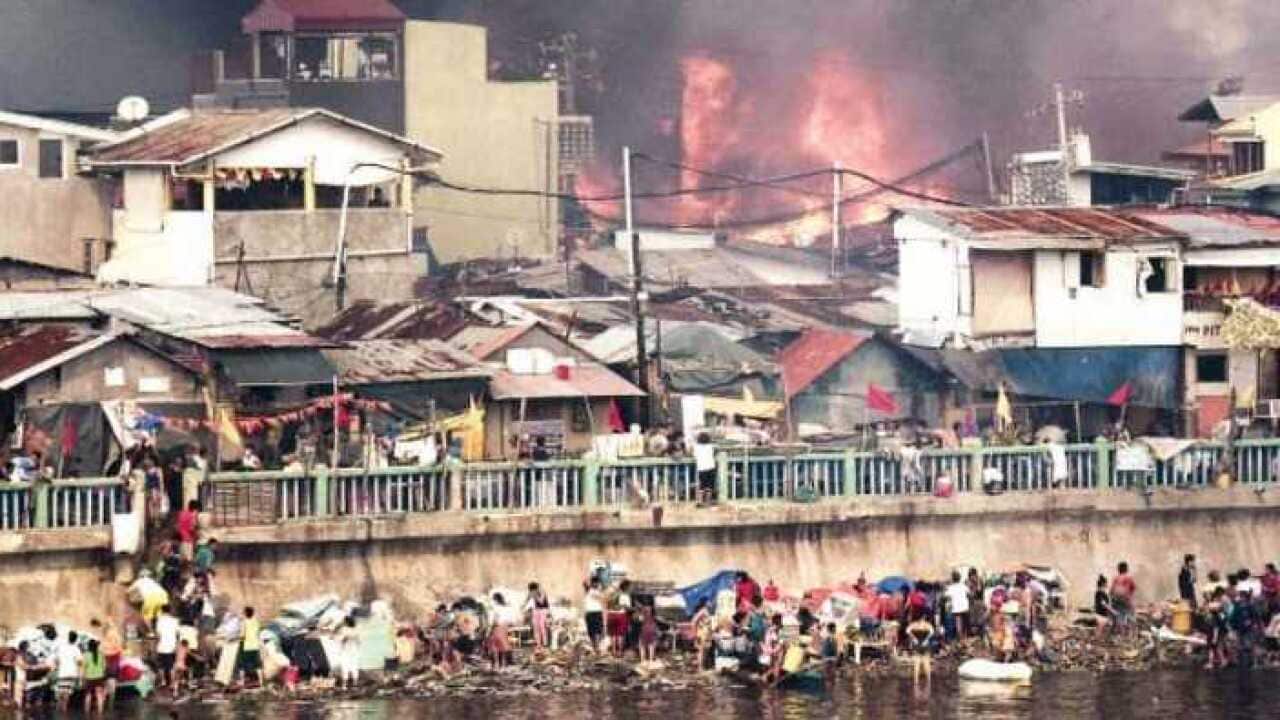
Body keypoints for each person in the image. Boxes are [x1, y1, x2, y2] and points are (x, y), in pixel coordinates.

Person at [55, 630, 83, 711]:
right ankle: (64, 711)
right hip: (72, 673)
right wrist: (80, 677)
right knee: (66, 695)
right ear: (75, 639)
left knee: (60, 694)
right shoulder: (76, 649)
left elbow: (57, 660)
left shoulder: (62, 648)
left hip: (62, 673)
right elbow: (80, 663)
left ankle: (58, 713)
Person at [155, 604, 180, 689]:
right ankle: (172, 684)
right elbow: (177, 634)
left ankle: (163, 681)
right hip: (171, 646)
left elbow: (158, 635)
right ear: (170, 611)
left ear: (162, 611)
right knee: (171, 666)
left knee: (161, 666)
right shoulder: (175, 621)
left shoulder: (159, 621)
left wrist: (156, 645)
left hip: (161, 646)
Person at [239, 607, 264, 688]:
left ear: (246, 613)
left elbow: (242, 635)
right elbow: (258, 633)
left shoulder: (244, 622)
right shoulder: (256, 622)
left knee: (242, 665)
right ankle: (261, 682)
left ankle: (242, 682)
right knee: (258, 665)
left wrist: (236, 638)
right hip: (255, 646)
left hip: (246, 646)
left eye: (243, 613)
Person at [82, 638, 108, 714]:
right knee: (99, 696)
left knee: (88, 695)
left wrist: (83, 678)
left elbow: (84, 667)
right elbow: (104, 667)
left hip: (89, 677)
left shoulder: (86, 655)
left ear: (88, 646)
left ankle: (86, 713)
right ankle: (100, 713)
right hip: (99, 677)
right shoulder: (101, 654)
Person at [906, 615, 934, 684]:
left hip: (917, 643)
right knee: (926, 664)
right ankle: (929, 682)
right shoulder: (927, 624)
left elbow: (907, 631)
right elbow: (932, 631)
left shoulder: (914, 624)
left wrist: (913, 638)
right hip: (925, 644)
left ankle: (916, 682)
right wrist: (927, 639)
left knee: (917, 664)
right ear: (923, 618)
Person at [1110, 562, 1136, 633]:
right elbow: (1133, 588)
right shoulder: (1129, 578)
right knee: (1130, 613)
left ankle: (1116, 628)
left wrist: (1112, 599)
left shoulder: (1115, 578)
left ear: (1118, 569)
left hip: (1115, 600)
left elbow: (1111, 590)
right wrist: (1129, 597)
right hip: (1125, 599)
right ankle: (1128, 630)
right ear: (1126, 569)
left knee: (1118, 613)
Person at [945, 570, 971, 639]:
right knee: (964, 625)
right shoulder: (964, 586)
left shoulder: (950, 588)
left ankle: (960, 638)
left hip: (956, 609)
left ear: (952, 578)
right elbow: (969, 594)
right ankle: (964, 639)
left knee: (958, 624)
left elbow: (946, 597)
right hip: (965, 607)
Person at [693, 432, 717, 505]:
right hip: (710, 466)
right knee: (710, 485)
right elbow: (713, 453)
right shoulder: (711, 446)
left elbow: (695, 456)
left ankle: (700, 501)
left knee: (702, 485)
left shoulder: (696, 447)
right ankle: (708, 501)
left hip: (701, 468)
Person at [525, 582, 551, 649]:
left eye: (533, 591)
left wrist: (535, 596)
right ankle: (538, 643)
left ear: (536, 589)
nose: (532, 592)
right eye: (531, 591)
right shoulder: (531, 592)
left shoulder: (542, 592)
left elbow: (541, 601)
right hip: (536, 610)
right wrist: (523, 606)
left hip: (544, 609)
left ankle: (545, 643)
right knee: (536, 626)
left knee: (542, 625)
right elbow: (527, 600)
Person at [338, 616, 361, 689]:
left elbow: (341, 639)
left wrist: (345, 638)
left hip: (346, 650)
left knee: (345, 666)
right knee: (354, 666)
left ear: (346, 622)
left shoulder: (344, 629)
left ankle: (344, 685)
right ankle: (355, 684)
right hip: (354, 650)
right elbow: (359, 642)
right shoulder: (356, 629)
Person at [583, 580, 606, 652]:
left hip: (594, 612)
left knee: (596, 631)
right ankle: (596, 647)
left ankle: (596, 646)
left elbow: (602, 598)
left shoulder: (593, 592)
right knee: (594, 631)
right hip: (592, 613)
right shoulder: (593, 591)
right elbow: (585, 584)